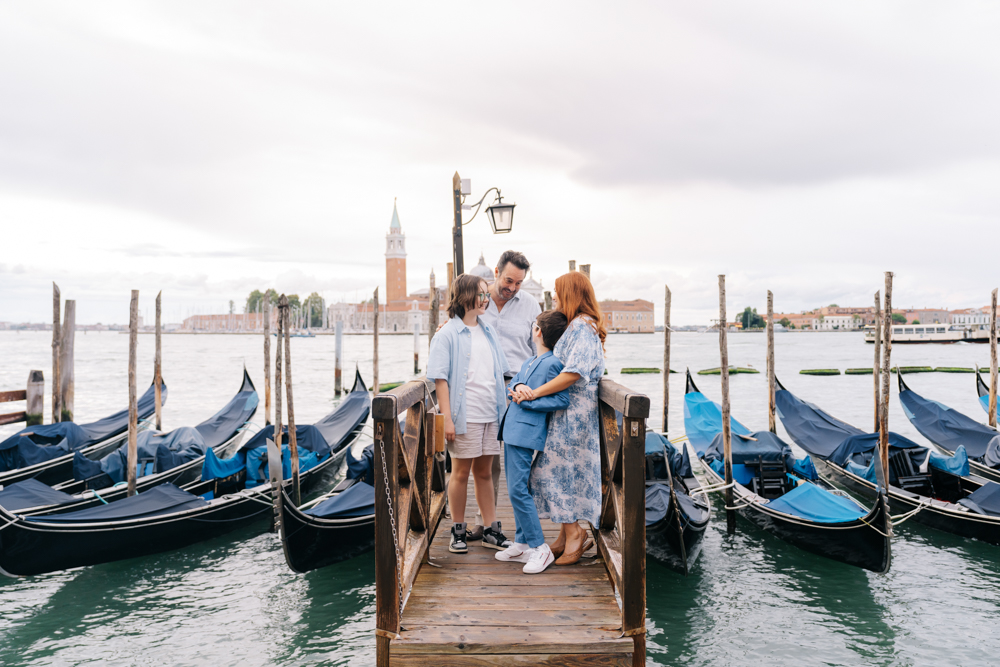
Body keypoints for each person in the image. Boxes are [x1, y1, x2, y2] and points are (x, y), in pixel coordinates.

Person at [511, 271, 606, 565]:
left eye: (557, 291)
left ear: (571, 294)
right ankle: (566, 534)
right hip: (566, 413)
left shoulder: (581, 327)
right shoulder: (578, 326)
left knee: (556, 473)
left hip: (574, 415)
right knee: (556, 473)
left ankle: (575, 534)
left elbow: (573, 372)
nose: (553, 297)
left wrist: (535, 393)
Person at [427, 273, 512, 553]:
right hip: (466, 413)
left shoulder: (488, 331)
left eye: (486, 294)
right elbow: (440, 379)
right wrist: (448, 418)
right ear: (465, 296)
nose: (486, 299)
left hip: (491, 412)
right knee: (460, 473)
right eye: (481, 294)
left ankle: (491, 529)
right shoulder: (447, 334)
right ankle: (458, 531)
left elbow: (500, 373)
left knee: (485, 473)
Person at [469, 250, 541, 541]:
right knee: (486, 459)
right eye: (509, 280)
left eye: (519, 283)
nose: (512, 288)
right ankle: (486, 524)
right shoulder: (478, 299)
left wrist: (533, 388)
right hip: (483, 386)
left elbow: (540, 349)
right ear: (496, 271)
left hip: (517, 388)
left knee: (519, 457)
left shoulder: (531, 305)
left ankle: (527, 533)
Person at [494, 310, 570, 574]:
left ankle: (540, 547)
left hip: (526, 432)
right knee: (518, 488)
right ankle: (522, 542)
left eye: (533, 326)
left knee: (516, 489)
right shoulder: (529, 361)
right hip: (512, 429)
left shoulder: (552, 363)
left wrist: (531, 399)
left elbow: (562, 400)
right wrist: (517, 390)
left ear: (538, 331)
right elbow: (511, 386)